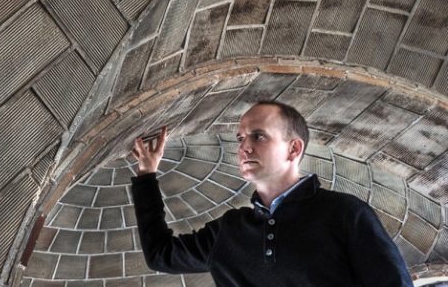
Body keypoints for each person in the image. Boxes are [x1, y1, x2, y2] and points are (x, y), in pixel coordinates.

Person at [131, 101, 413, 286]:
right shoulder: (227, 231)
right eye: (241, 138)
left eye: (258, 136)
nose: (244, 147)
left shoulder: (345, 213)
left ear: (294, 149)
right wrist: (146, 175)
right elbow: (160, 255)